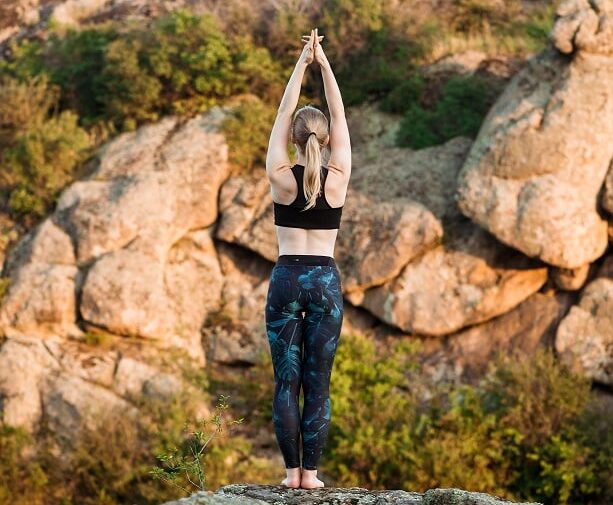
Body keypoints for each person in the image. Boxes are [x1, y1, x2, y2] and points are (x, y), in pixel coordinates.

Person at [264, 28, 351, 489]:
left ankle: (289, 474)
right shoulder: (337, 177)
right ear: (328, 138)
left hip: (286, 279)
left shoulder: (280, 175)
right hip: (324, 283)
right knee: (318, 384)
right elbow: (336, 112)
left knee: (286, 384)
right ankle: (311, 477)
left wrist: (301, 62)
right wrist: (324, 62)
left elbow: (283, 112)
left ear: (296, 139)